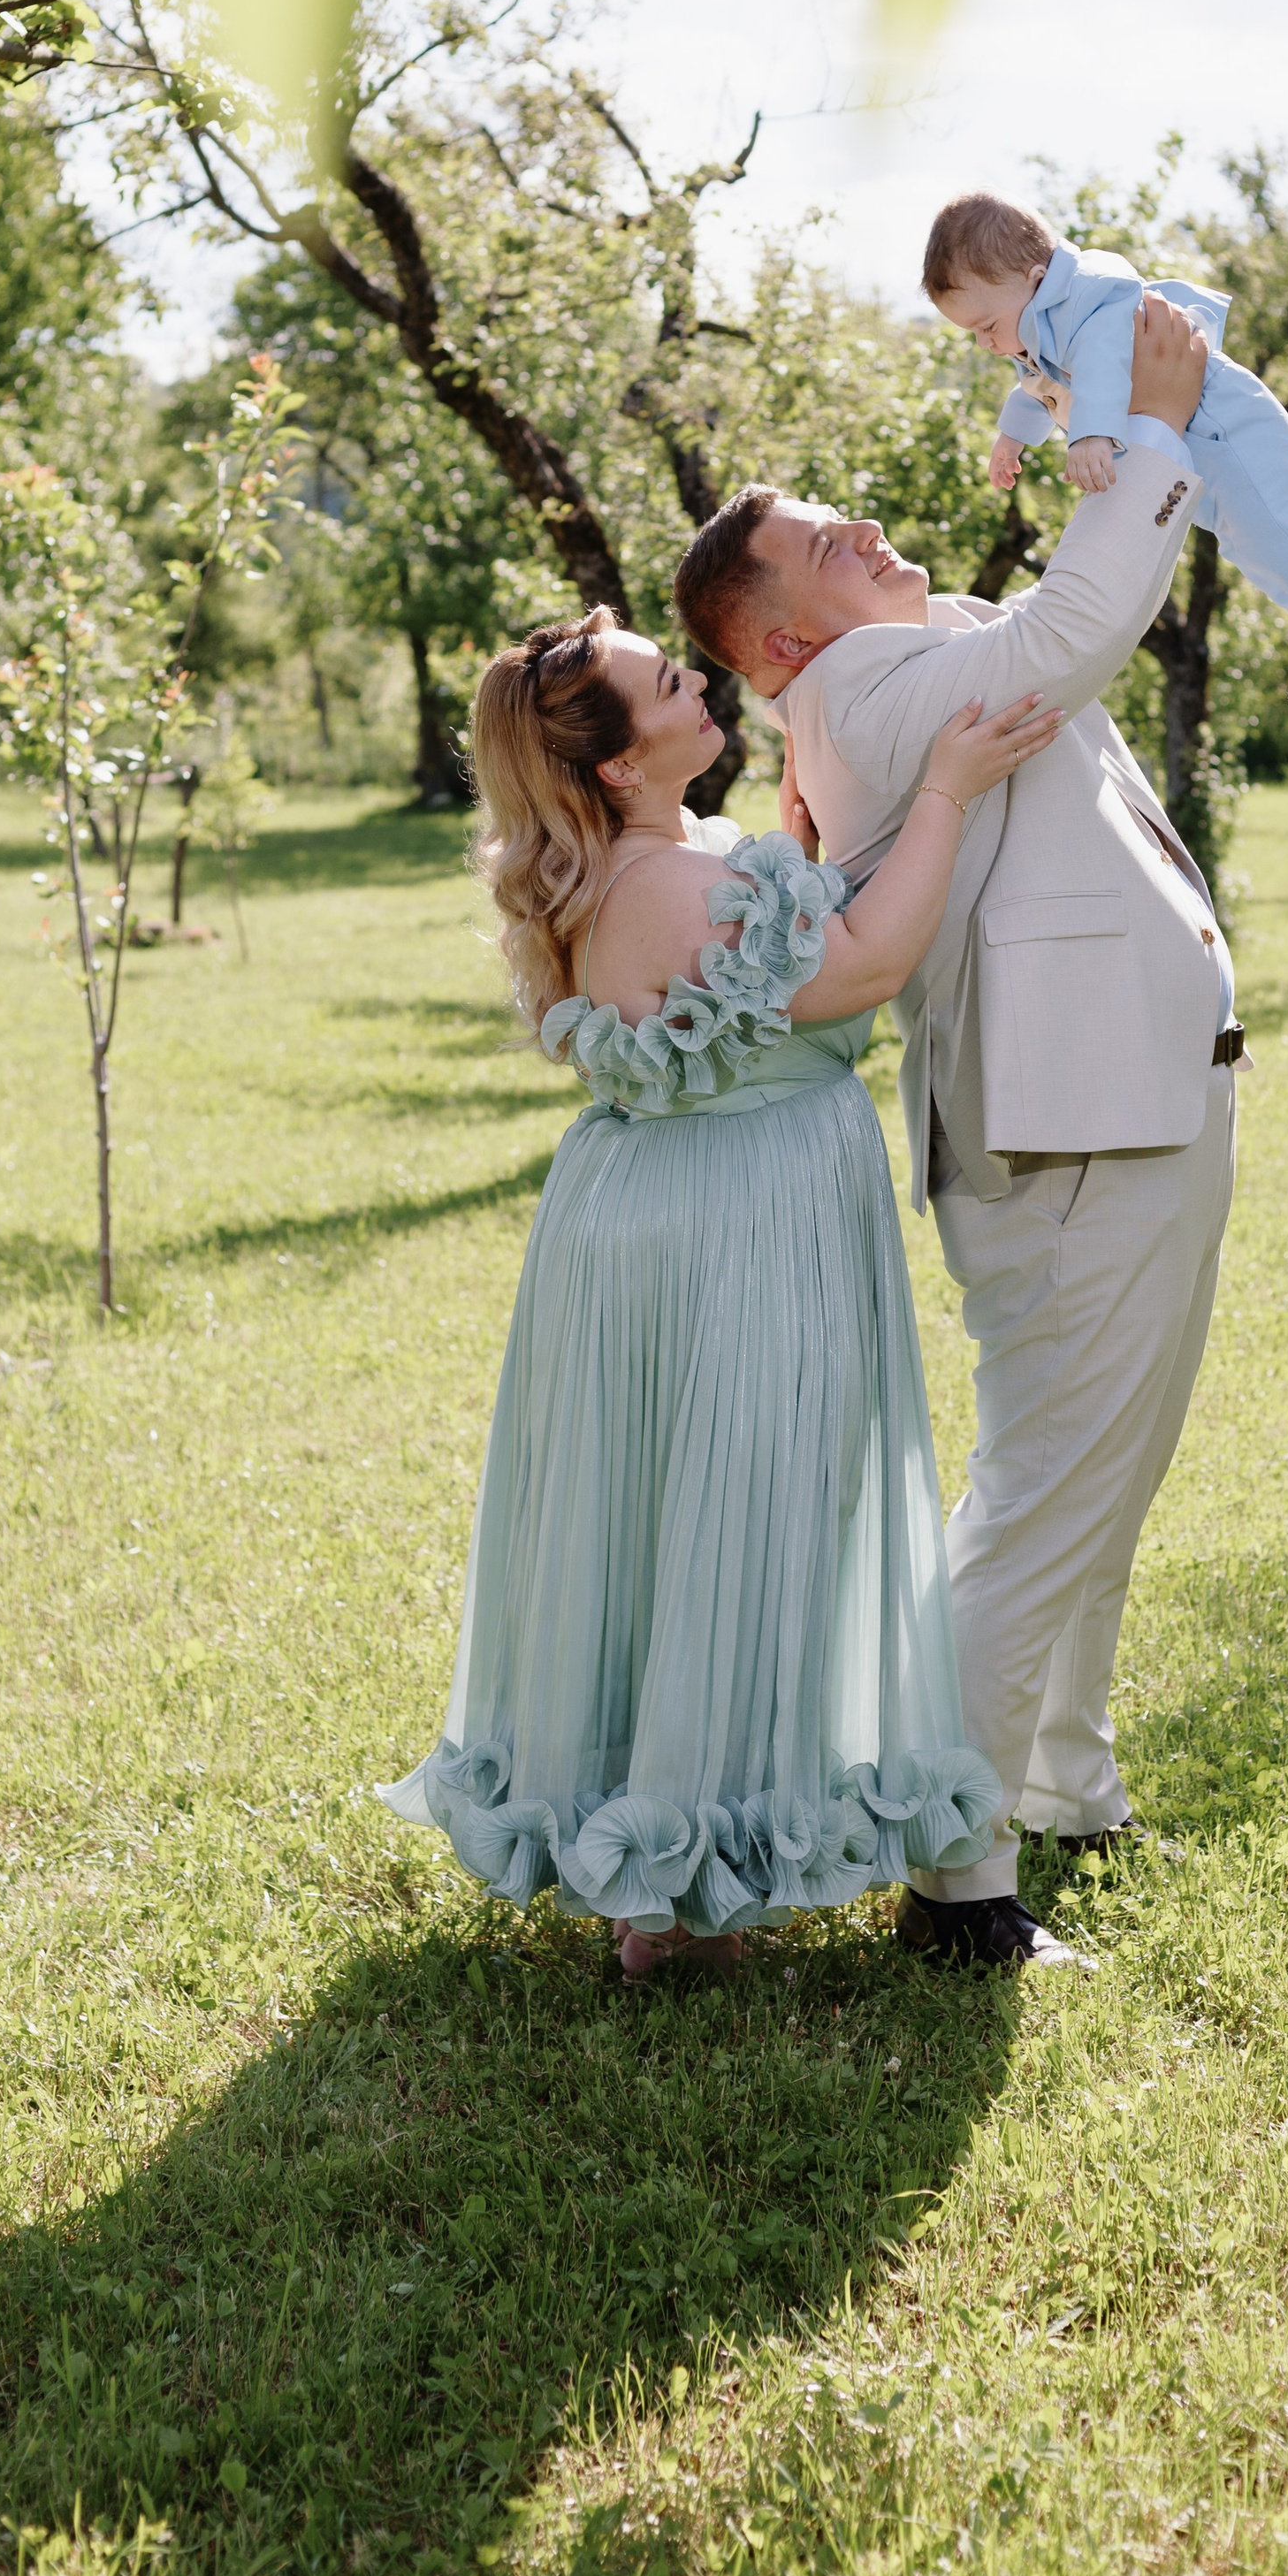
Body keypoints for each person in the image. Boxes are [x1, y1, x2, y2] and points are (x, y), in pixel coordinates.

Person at [673, 294, 1238, 1975]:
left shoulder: (904, 655)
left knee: (1103, 1471)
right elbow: (1074, 631)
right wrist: (1146, 433)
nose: (863, 526)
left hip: (1125, 1105)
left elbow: (1048, 623)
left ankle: (1061, 1780)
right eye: (818, 545)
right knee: (1051, 1489)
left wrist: (1077, 419)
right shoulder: (864, 691)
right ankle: (958, 1881)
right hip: (1075, 1129)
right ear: (781, 646)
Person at [378, 608, 1063, 1979]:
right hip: (738, 1222)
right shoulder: (666, 883)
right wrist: (942, 791)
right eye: (672, 684)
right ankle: (679, 1893)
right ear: (620, 767)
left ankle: (671, 1861)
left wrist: (806, 847)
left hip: (668, 1213)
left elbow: (759, 974)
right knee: (746, 1514)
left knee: (677, 1517)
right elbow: (862, 969)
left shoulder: (668, 861)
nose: (701, 689)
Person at [924, 187, 1288, 726]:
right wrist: (1012, 437)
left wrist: (1091, 435)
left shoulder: (1091, 298)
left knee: (1284, 531)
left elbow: (1104, 362)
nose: (985, 344)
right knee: (1247, 543)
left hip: (1226, 425)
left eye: (986, 327)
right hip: (1195, 441)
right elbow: (1037, 388)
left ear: (1036, 281)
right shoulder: (1038, 331)